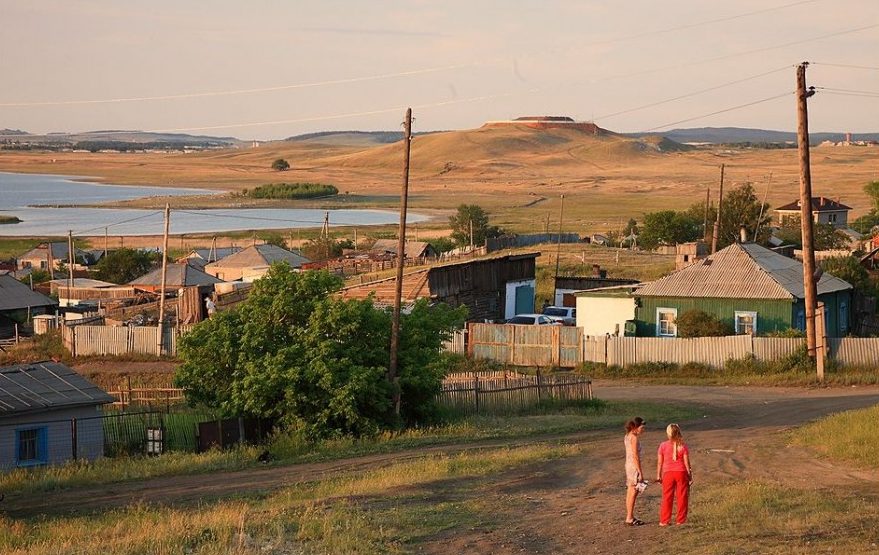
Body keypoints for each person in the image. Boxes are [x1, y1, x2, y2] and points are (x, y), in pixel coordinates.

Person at [656, 423, 692, 526]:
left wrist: (658, 475)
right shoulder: (683, 446)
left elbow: (659, 462)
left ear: (668, 434)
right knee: (682, 497)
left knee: (667, 497)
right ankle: (680, 520)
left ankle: (664, 520)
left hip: (667, 473)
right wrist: (689, 475)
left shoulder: (663, 445)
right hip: (681, 472)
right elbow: (686, 463)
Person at [624, 416, 646, 526]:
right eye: (642, 427)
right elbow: (635, 456)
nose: (643, 430)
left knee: (630, 491)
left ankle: (629, 515)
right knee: (633, 492)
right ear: (636, 427)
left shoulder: (627, 436)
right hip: (634, 467)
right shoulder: (634, 438)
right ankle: (629, 517)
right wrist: (640, 472)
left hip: (628, 465)